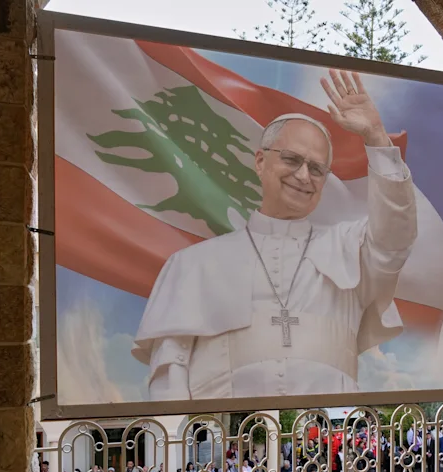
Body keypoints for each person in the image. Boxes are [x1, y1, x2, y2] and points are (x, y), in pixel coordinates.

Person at [133, 70, 418, 400]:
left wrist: (377, 138)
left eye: (316, 168)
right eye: (292, 159)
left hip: (327, 443)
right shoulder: (192, 265)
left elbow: (396, 233)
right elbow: (170, 373)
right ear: (260, 161)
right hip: (225, 445)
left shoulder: (349, 249)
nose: (303, 175)